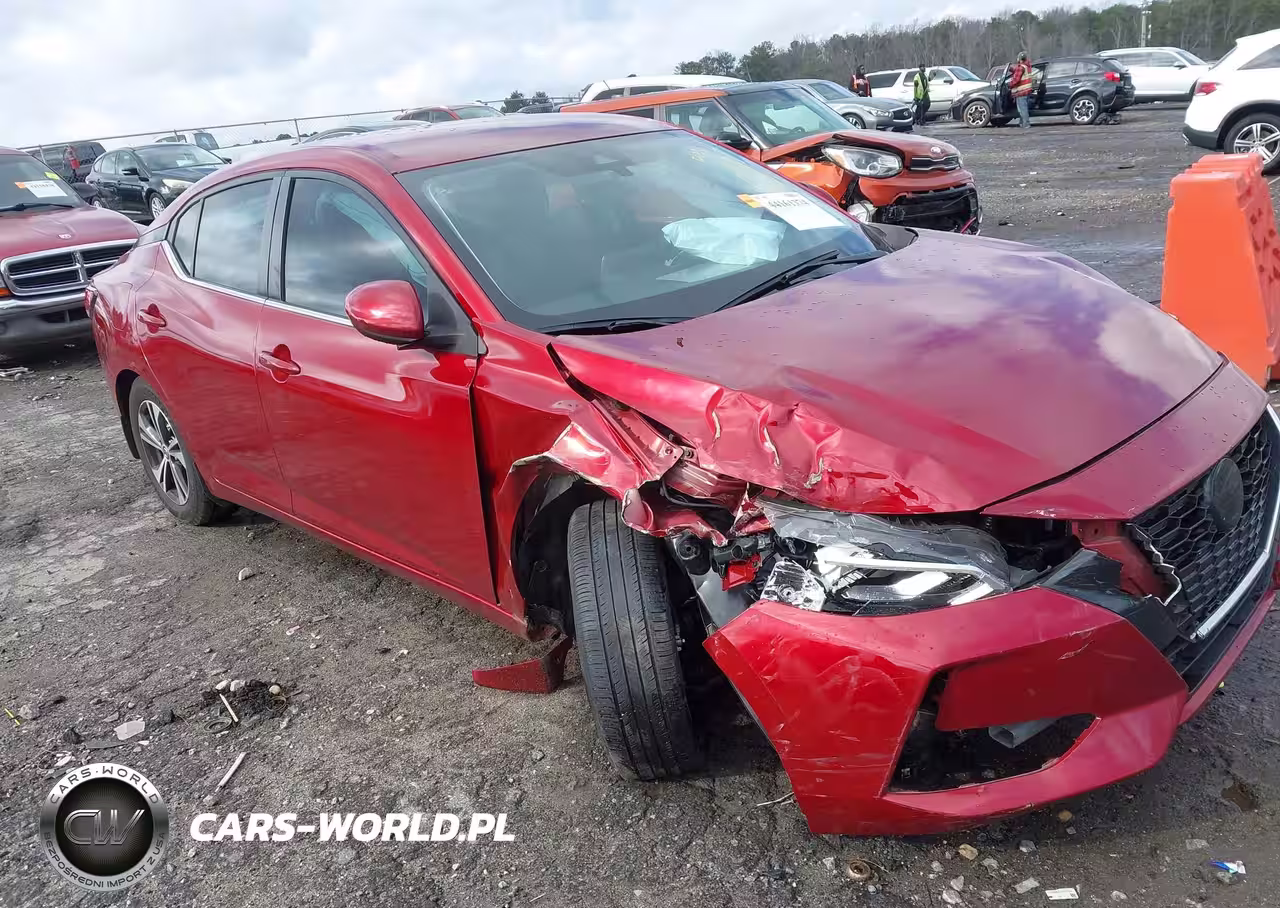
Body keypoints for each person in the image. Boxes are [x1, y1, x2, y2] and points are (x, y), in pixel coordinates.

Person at [1010, 52, 1034, 129]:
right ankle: (1022, 123)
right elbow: (1019, 73)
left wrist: (1010, 85)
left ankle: (1026, 124)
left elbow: (1016, 80)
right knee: (1023, 108)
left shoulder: (1021, 67)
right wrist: (1012, 70)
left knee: (1022, 109)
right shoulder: (1027, 66)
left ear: (1019, 59)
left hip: (1021, 92)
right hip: (1027, 90)